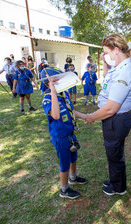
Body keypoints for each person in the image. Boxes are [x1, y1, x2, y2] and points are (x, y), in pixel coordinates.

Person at [84, 34, 131, 196]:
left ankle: (118, 187)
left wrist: (91, 117)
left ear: (116, 50)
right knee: (115, 153)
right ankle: (116, 180)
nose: (105, 55)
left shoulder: (124, 72)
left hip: (116, 119)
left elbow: (110, 109)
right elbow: (108, 79)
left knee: (114, 154)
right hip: (115, 119)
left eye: (106, 52)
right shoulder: (119, 66)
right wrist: (104, 61)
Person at [41, 66, 87, 199]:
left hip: (70, 133)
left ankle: (73, 178)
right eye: (57, 80)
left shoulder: (64, 93)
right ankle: (64, 189)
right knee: (65, 162)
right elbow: (55, 115)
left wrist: (85, 116)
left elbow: (70, 110)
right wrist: (53, 91)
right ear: (47, 83)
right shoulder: (48, 99)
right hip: (60, 137)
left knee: (73, 158)